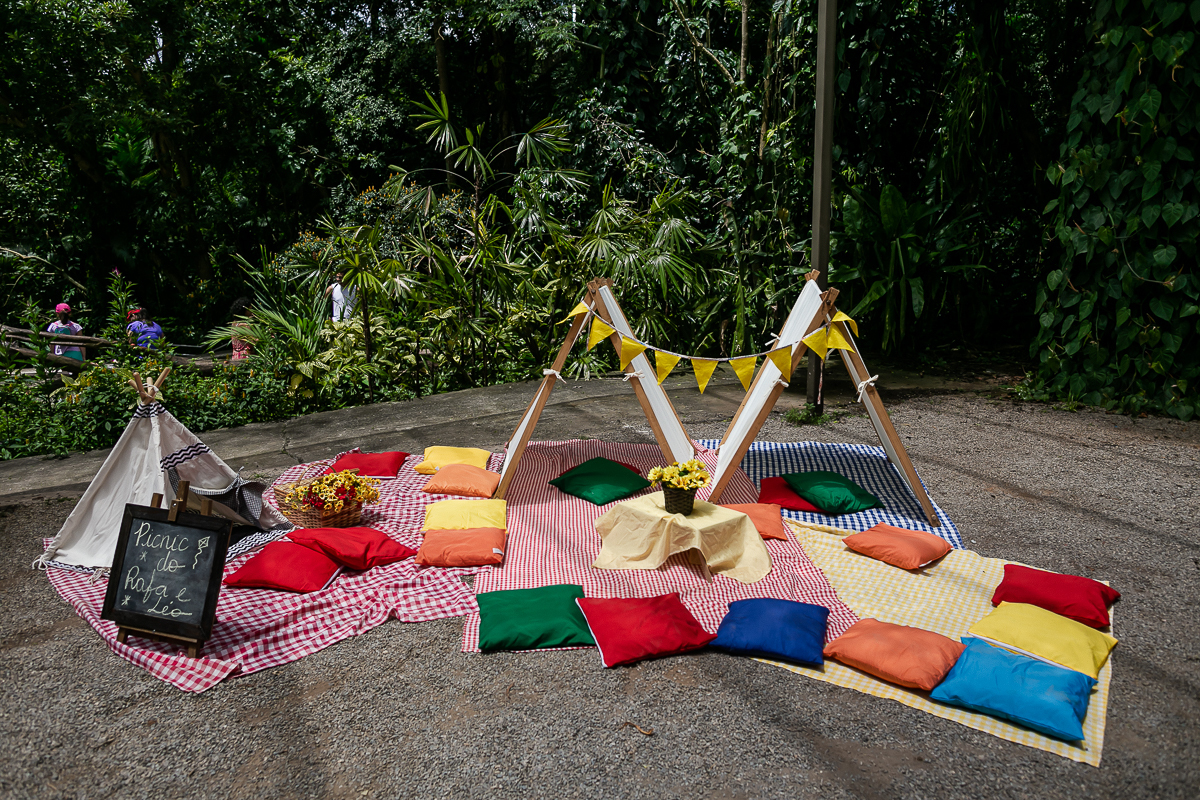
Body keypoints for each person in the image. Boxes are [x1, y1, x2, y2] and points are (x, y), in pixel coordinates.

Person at [230, 297, 254, 361]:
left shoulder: (234, 323)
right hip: (246, 358)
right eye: (249, 310)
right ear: (244, 311)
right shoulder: (245, 325)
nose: (252, 312)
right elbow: (252, 342)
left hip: (236, 356)